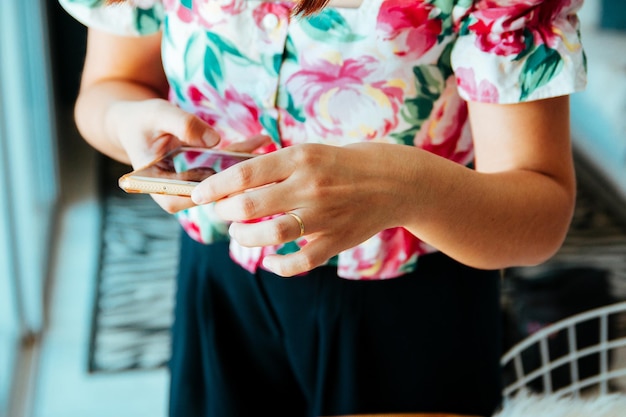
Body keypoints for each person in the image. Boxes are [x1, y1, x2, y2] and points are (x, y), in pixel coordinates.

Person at [59, 0, 587, 416]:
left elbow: (539, 214)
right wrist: (125, 123)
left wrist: (406, 189)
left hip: (412, 300)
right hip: (218, 279)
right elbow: (108, 88)